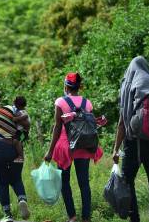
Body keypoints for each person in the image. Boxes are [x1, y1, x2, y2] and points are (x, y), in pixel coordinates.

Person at [112, 56, 149, 222]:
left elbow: (122, 122)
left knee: (128, 180)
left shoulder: (129, 84)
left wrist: (116, 149)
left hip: (134, 141)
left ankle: (134, 218)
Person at [44, 72, 103, 222]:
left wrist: (50, 151)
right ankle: (86, 218)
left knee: (64, 181)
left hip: (65, 146)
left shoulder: (60, 102)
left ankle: (72, 217)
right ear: (79, 87)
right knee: (84, 182)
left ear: (66, 86)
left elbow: (57, 127)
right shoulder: (87, 103)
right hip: (84, 145)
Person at [0, 89, 30, 222]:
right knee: (16, 179)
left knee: (2, 182)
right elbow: (22, 123)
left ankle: (8, 215)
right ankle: (22, 199)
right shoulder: (9, 109)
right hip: (14, 146)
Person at [11, 96, 30, 163]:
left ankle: (21, 157)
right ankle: (18, 155)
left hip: (23, 132)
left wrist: (16, 119)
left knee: (16, 141)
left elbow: (25, 117)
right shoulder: (18, 110)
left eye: (15, 104)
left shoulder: (22, 112)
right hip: (20, 131)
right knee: (15, 142)